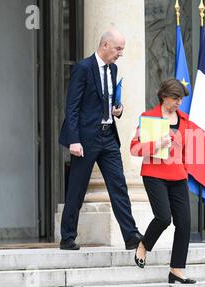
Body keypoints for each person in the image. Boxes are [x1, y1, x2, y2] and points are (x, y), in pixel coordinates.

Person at [58, 29, 143, 251]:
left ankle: (131, 236)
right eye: (118, 49)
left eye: (122, 49)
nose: (120, 54)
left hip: (108, 137)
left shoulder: (113, 69)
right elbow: (72, 107)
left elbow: (106, 100)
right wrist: (74, 140)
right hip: (85, 140)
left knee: (119, 186)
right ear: (105, 45)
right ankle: (67, 237)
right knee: (77, 189)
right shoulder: (83, 68)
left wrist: (118, 109)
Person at [130, 79, 196, 284]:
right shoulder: (148, 117)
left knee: (184, 223)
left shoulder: (184, 120)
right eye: (175, 98)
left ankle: (176, 270)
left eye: (181, 99)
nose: (179, 103)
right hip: (154, 175)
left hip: (178, 176)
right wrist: (156, 143)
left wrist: (185, 169)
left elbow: (186, 150)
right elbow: (134, 149)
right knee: (164, 218)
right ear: (164, 96)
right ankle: (143, 245)